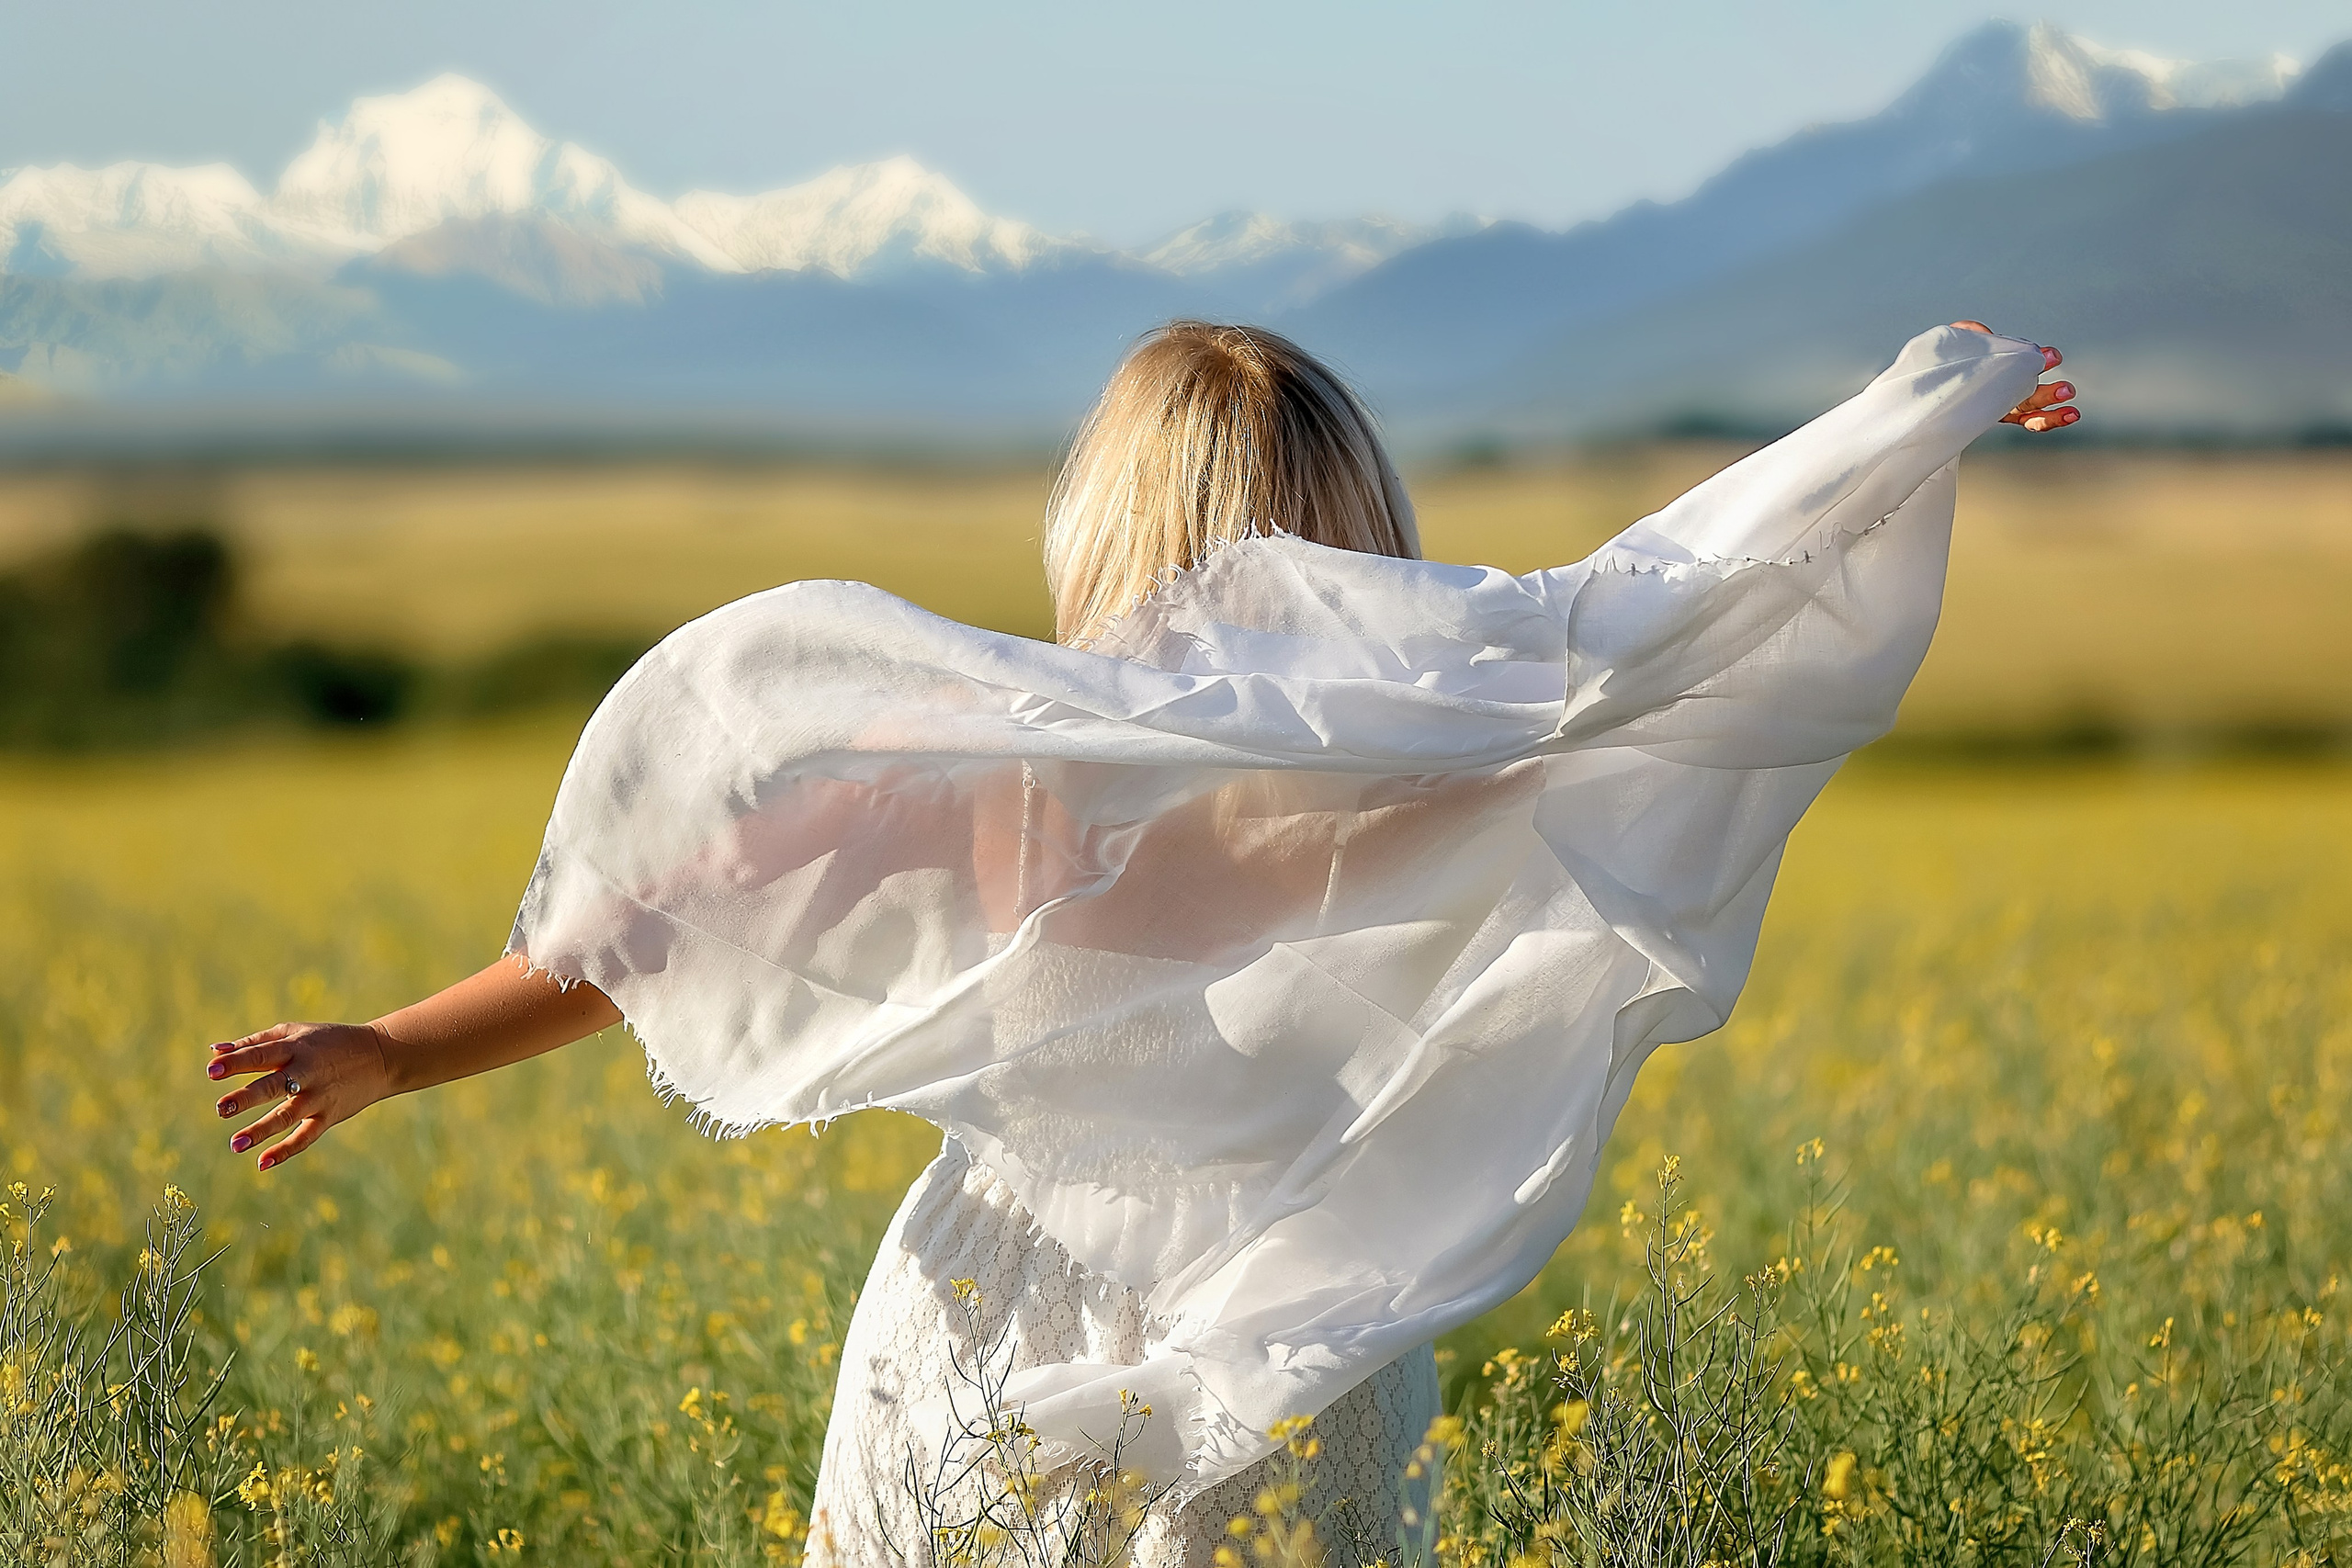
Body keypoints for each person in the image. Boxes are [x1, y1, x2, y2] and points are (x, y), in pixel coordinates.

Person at [204, 318, 2078, 1562]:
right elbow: (1662, 622)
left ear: (1101, 525)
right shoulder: (1426, 788)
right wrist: (1919, 421)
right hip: (1289, 1348)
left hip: (972, 1320)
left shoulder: (985, 763)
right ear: (1367, 537)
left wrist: (393, 1043)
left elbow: (647, 923)